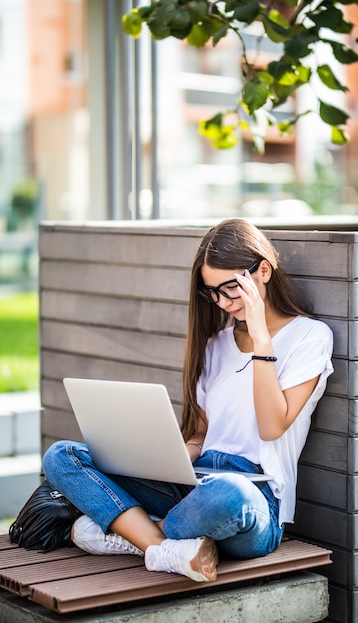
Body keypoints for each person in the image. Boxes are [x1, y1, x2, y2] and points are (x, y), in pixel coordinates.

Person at [42, 218, 333, 583]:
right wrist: (169, 457)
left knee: (228, 494)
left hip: (253, 499)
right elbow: (201, 435)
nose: (223, 302)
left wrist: (262, 339)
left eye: (231, 288)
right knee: (63, 456)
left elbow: (272, 425)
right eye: (213, 292)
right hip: (193, 484)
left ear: (262, 271)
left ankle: (132, 533)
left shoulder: (310, 337)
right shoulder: (216, 346)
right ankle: (160, 546)